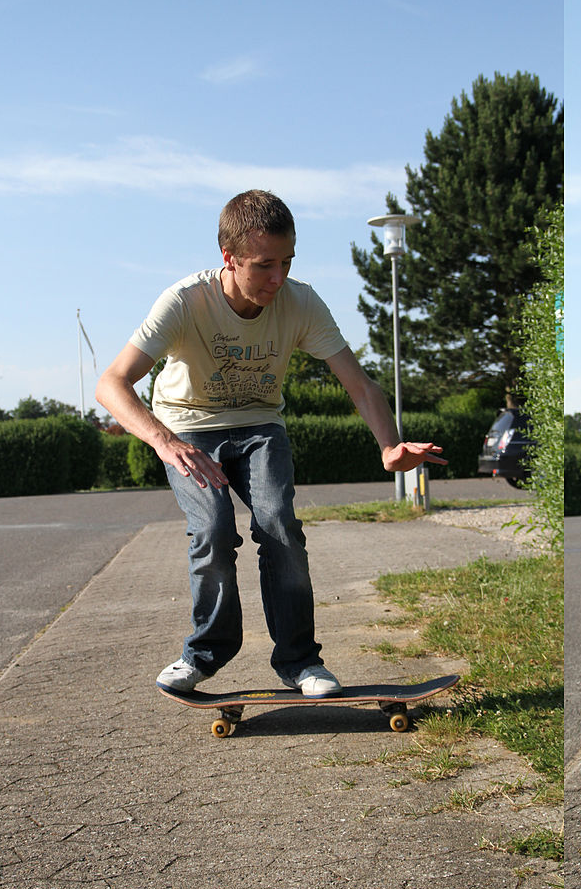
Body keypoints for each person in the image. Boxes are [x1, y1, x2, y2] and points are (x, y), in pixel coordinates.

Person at [98, 190, 446, 697]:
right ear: (229, 258)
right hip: (189, 429)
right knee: (214, 531)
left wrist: (389, 447)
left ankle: (300, 662)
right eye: (264, 266)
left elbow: (360, 384)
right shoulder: (183, 302)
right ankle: (204, 653)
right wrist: (164, 441)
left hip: (261, 425)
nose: (277, 279)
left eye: (287, 263)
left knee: (280, 525)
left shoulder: (301, 302)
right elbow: (111, 383)